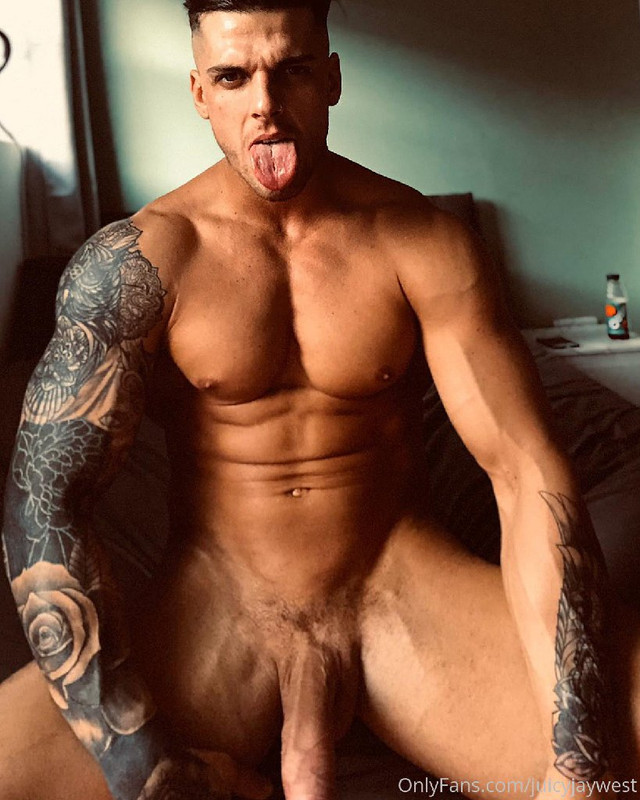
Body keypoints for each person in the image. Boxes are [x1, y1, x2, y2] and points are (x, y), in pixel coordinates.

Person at [1, 1, 639, 798]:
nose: (265, 105)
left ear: (331, 78)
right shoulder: (140, 264)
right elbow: (46, 502)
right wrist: (147, 767)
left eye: (292, 70)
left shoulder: (424, 242)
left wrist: (582, 764)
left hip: (402, 593)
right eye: (232, 77)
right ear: (199, 92)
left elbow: (526, 474)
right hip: (219, 610)